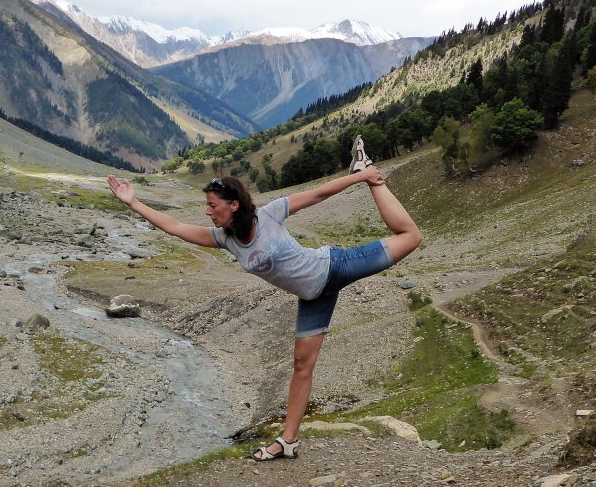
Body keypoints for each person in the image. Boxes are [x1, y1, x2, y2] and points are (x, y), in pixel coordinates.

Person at [106, 136, 422, 461]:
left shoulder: (271, 214)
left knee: (411, 237)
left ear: (234, 205)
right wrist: (133, 202)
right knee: (302, 366)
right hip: (313, 297)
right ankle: (288, 442)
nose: (208, 212)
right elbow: (173, 226)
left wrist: (362, 177)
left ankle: (369, 170)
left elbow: (319, 193)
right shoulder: (225, 240)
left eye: (213, 206)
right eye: (207, 206)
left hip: (336, 267)